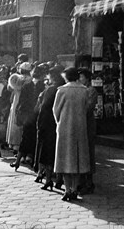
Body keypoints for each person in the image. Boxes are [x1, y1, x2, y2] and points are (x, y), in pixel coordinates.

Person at [53, 67, 90, 202]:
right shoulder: (84, 90)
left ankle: (67, 189)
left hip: (65, 128)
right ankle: (74, 189)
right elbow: (86, 108)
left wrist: (59, 122)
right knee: (77, 159)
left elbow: (56, 110)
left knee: (64, 159)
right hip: (80, 127)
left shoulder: (62, 90)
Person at [35, 65, 65, 190]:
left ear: (52, 76)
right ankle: (59, 179)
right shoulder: (63, 88)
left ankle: (48, 180)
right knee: (59, 153)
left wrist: (39, 124)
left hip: (48, 124)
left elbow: (44, 109)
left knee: (46, 153)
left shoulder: (51, 90)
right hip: (61, 124)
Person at [10, 63, 38, 170]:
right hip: (34, 114)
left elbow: (21, 101)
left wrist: (18, 113)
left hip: (27, 114)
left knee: (25, 137)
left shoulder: (25, 84)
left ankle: (18, 160)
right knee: (32, 138)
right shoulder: (40, 85)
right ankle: (29, 158)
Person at [78, 68, 98, 194]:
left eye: (81, 77)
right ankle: (82, 180)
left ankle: (89, 182)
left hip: (88, 124)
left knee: (88, 152)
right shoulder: (81, 89)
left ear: (87, 78)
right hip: (81, 124)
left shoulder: (91, 90)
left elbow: (88, 107)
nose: (80, 79)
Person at [6, 62, 31, 152]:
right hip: (26, 102)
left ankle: (13, 143)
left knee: (14, 121)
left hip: (16, 100)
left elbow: (9, 87)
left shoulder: (16, 78)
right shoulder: (30, 80)